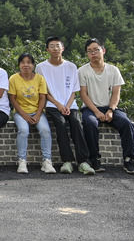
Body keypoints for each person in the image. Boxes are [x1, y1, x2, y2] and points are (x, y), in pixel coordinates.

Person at [36, 37, 95, 175]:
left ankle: (83, 162)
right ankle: (67, 161)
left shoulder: (71, 66)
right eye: (52, 46)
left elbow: (74, 90)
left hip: (70, 104)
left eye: (58, 46)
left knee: (76, 122)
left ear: (63, 48)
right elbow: (44, 91)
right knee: (61, 124)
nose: (55, 48)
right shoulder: (41, 67)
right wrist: (58, 105)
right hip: (52, 104)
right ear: (47, 50)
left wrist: (67, 105)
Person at [79, 38, 134, 175]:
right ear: (87, 54)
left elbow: (116, 93)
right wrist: (96, 112)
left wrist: (111, 110)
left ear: (103, 50)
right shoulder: (82, 71)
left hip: (110, 107)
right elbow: (83, 95)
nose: (93, 53)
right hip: (90, 108)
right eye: (89, 51)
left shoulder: (113, 70)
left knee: (126, 123)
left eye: (96, 50)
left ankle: (129, 160)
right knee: (90, 123)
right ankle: (95, 159)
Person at [8, 53, 55, 174]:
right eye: (23, 62)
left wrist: (38, 114)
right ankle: (22, 161)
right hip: (20, 112)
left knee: (45, 130)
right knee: (23, 130)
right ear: (19, 65)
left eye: (29, 62)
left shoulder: (40, 79)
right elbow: (13, 99)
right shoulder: (13, 79)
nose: (26, 65)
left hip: (37, 111)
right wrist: (24, 115)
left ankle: (47, 161)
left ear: (33, 65)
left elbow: (43, 98)